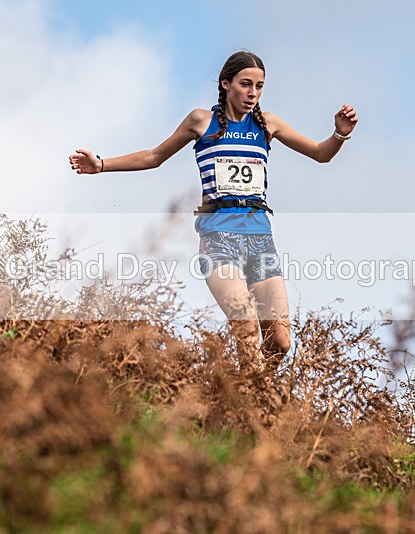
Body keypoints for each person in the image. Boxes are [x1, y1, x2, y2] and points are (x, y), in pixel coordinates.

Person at [69, 51, 357, 373]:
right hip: (218, 238)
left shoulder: (268, 124)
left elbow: (320, 154)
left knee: (280, 342)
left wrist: (340, 134)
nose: (253, 93)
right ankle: (249, 398)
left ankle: (252, 390)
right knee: (246, 326)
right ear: (225, 84)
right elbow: (154, 156)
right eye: (245, 84)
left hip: (261, 240)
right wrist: (101, 164)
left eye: (259, 86)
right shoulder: (201, 121)